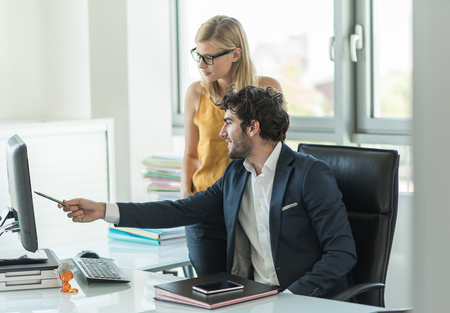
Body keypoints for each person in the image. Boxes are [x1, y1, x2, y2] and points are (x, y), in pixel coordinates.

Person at [62, 86, 357, 298]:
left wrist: (293, 297)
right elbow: (180, 210)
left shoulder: (309, 174)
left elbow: (342, 253)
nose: (221, 133)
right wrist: (103, 210)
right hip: (255, 299)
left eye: (228, 123)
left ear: (253, 127)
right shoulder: (235, 175)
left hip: (306, 302)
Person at [181, 15, 283, 276]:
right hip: (207, 206)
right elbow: (191, 153)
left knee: (256, 287)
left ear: (236, 54)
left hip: (252, 204)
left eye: (209, 57)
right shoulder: (196, 93)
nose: (201, 64)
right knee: (211, 289)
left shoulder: (268, 89)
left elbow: (276, 152)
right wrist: (186, 199)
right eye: (198, 54)